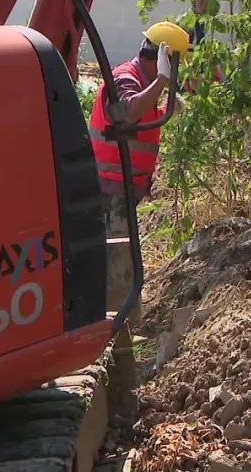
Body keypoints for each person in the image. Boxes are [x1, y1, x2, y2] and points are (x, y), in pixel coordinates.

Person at [88, 20, 189, 322]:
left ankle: (124, 327)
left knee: (124, 260)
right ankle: (121, 336)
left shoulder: (140, 83)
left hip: (123, 192)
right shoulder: (125, 78)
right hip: (110, 192)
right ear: (161, 59)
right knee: (120, 265)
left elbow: (138, 127)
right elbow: (128, 111)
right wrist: (161, 81)